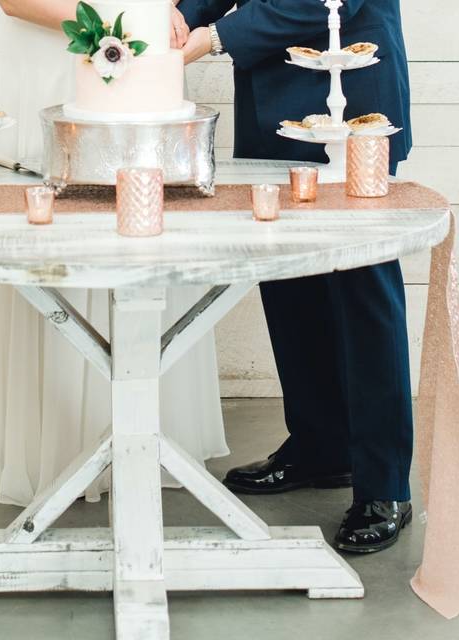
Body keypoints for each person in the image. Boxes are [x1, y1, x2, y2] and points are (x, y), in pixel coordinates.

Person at [0, 0, 227, 507]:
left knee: (142, 217)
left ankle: (138, 431)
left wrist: (164, 17)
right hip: (51, 58)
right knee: (48, 232)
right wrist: (119, 24)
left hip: (140, 58)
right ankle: (42, 444)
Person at [179, 0, 415, 553]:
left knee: (362, 291)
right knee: (290, 286)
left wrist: (212, 37)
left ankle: (385, 486)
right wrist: (182, 14)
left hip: (350, 104)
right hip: (270, 100)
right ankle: (321, 446)